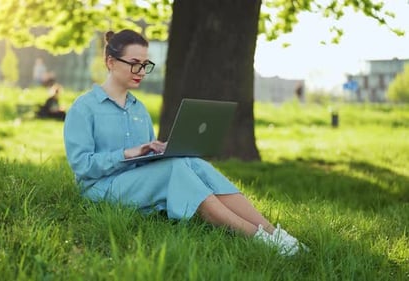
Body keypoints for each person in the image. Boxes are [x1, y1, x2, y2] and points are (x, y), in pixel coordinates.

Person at [63, 29, 308, 256]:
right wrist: (128, 153)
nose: (140, 72)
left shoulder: (139, 110)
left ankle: (273, 232)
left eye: (145, 65)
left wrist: (156, 151)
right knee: (175, 168)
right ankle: (258, 238)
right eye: (134, 64)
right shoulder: (84, 108)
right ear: (110, 62)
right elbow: (83, 167)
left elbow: (143, 164)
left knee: (189, 160)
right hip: (99, 190)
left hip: (134, 184)